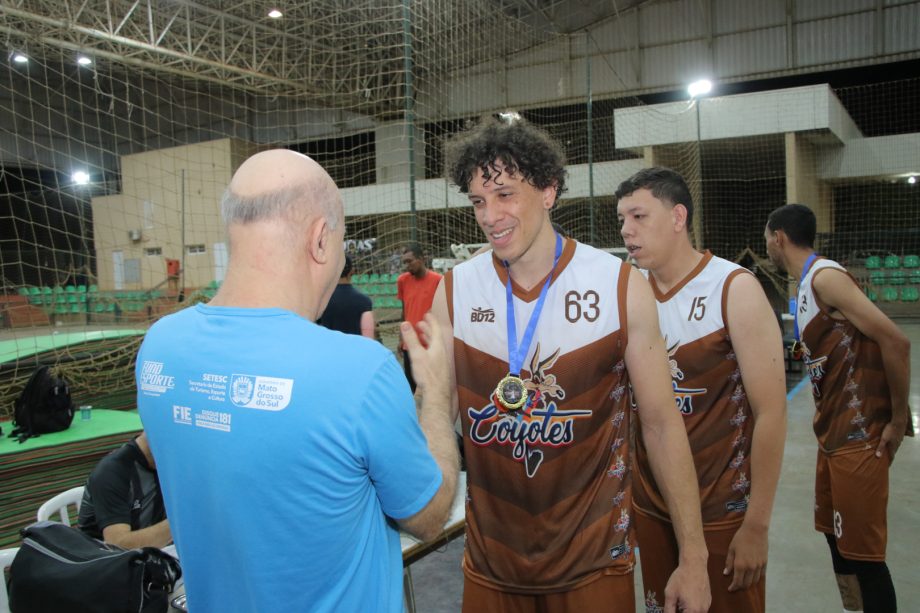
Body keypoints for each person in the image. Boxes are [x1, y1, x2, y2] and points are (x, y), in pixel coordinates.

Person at [136, 149, 459, 613]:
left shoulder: (159, 348)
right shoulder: (358, 370)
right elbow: (428, 516)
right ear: (321, 240)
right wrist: (436, 394)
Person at [434, 115, 710, 612]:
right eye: (478, 201)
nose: (489, 215)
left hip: (593, 563)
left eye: (504, 194)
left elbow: (664, 427)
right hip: (492, 565)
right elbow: (434, 418)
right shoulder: (454, 292)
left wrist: (693, 557)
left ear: (548, 191)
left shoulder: (618, 286)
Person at [615, 167, 787, 612]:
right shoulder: (627, 295)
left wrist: (757, 525)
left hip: (723, 509)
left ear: (677, 218)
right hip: (653, 508)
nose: (626, 231)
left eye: (638, 216)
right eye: (621, 220)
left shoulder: (734, 288)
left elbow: (771, 414)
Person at [765, 203, 911, 613]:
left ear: (779, 238)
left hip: (860, 435)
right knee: (837, 543)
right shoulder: (806, 286)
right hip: (831, 435)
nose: (767, 249)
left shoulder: (826, 278)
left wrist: (899, 421)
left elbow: (896, 341)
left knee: (865, 559)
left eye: (767, 241)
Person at [77, 431, 172, 549]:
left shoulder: (172, 464)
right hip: (102, 560)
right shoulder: (111, 472)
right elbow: (118, 544)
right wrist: (180, 523)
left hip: (154, 555)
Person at [398, 243, 442, 390]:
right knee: (412, 386)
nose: (407, 265)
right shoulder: (402, 281)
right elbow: (404, 311)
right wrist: (401, 338)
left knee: (431, 386)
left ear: (422, 259)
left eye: (409, 261)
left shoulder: (438, 280)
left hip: (429, 343)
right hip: (409, 344)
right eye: (405, 262)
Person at [317, 254, 375, 338]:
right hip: (355, 350)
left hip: (330, 349)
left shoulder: (322, 300)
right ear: (352, 271)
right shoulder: (364, 301)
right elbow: (369, 338)